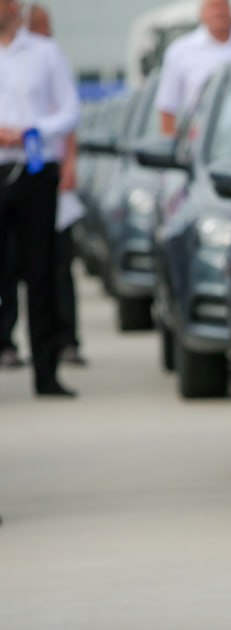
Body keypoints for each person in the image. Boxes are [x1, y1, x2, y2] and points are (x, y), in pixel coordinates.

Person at [0, 0, 80, 396]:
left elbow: (70, 111)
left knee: (41, 272)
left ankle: (46, 372)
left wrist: (31, 129)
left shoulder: (46, 53)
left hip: (35, 171)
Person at [29, 3, 85, 367]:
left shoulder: (52, 59)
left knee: (57, 262)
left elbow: (70, 117)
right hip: (15, 169)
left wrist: (69, 164)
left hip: (48, 170)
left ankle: (65, 339)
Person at [154, 0, 231, 137]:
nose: (218, 12)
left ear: (230, 10)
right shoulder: (180, 51)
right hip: (201, 141)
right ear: (201, 13)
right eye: (213, 7)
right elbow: (168, 106)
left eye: (222, 6)